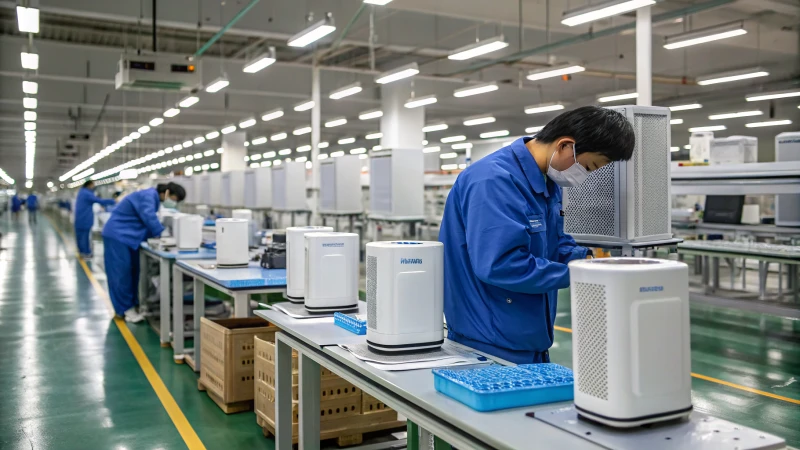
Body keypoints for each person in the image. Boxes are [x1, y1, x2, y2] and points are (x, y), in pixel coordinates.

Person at [438, 106, 635, 364]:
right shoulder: (495, 180)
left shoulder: (546, 182)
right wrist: (580, 273)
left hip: (525, 335)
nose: (585, 176)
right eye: (588, 166)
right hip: (489, 341)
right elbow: (500, 265)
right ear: (565, 145)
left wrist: (588, 259)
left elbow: (553, 244)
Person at [102, 182, 185, 322]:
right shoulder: (148, 195)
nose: (173, 202)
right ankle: (124, 310)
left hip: (129, 238)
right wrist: (163, 234)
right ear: (167, 192)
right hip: (118, 236)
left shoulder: (153, 198)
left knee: (133, 273)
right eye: (174, 199)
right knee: (121, 274)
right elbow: (148, 216)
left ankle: (131, 305)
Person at [75, 180, 116, 258]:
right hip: (85, 219)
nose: (94, 187)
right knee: (85, 237)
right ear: (89, 185)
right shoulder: (87, 193)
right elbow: (99, 200)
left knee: (80, 237)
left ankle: (81, 252)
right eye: (93, 185)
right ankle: (86, 253)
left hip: (79, 219)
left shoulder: (81, 192)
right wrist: (114, 201)